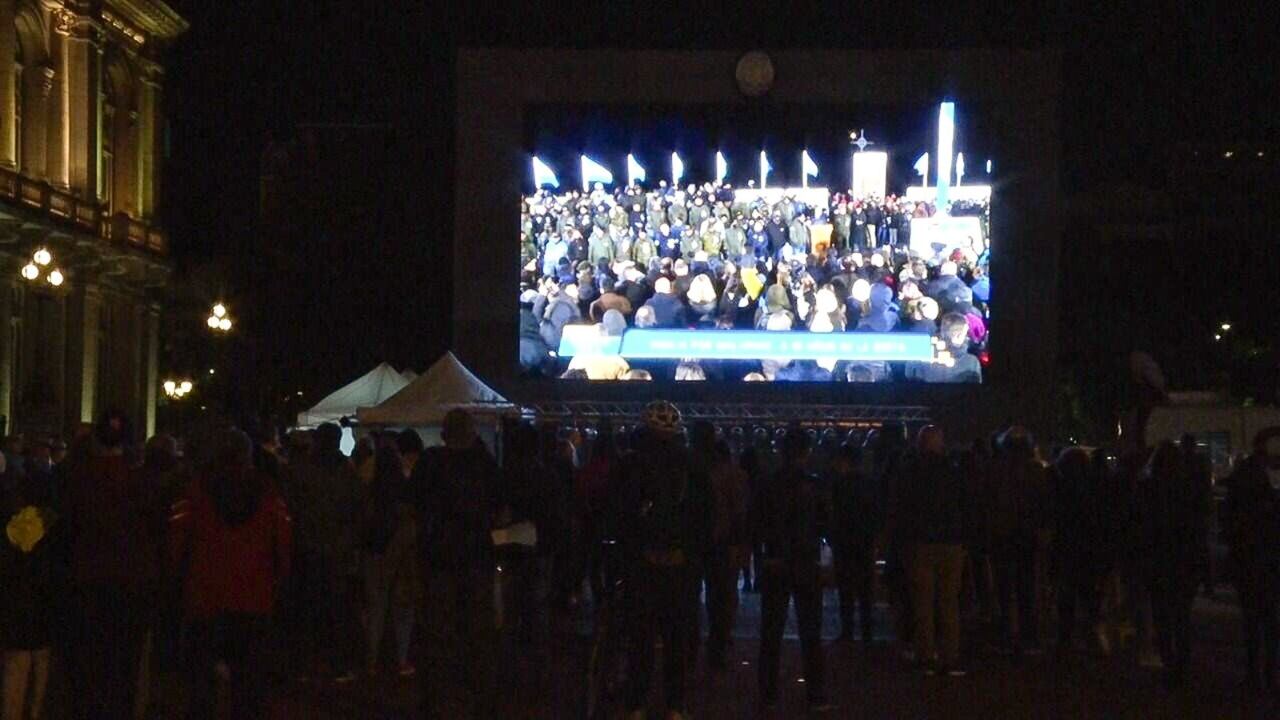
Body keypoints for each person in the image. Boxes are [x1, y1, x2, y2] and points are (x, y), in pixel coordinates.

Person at [170, 429, 291, 719]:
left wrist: (180, 582)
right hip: (254, 597)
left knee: (201, 683)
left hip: (205, 596)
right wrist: (276, 582)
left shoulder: (195, 492)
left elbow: (177, 542)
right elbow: (283, 545)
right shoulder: (269, 494)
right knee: (249, 685)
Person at [61, 410, 163, 720]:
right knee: (124, 665)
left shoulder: (76, 479)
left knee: (88, 664)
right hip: (131, 585)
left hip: (87, 581)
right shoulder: (144, 482)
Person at [405, 409, 504, 718]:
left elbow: (414, 507)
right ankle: (481, 699)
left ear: (445, 433)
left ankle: (435, 698)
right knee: (478, 634)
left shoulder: (431, 463)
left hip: (439, 560)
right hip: (476, 558)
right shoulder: (485, 465)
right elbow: (499, 510)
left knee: (438, 632)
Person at [615, 401, 709, 720]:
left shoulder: (631, 464)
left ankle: (637, 702)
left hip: (643, 564)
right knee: (675, 639)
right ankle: (674, 704)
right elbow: (703, 518)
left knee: (641, 638)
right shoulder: (691, 465)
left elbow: (619, 513)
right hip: (678, 565)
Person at [752, 428, 831, 711]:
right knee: (811, 631)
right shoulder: (815, 485)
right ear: (806, 452)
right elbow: (825, 523)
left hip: (776, 562)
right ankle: (816, 694)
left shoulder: (768, 483)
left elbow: (756, 523)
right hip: (806, 562)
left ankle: (768, 693)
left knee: (771, 632)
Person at [283, 422, 363, 683]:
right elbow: (357, 511)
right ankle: (336, 664)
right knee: (336, 610)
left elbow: (292, 508)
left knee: (307, 609)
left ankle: (304, 665)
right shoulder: (347, 472)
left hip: (308, 548)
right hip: (336, 550)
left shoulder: (301, 471)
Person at [895, 426, 968, 676]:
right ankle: (950, 656)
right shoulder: (954, 471)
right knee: (949, 602)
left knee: (922, 603)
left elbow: (901, 507)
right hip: (951, 542)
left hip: (921, 542)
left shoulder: (910, 472)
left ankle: (925, 656)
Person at [1141, 440, 1210, 688]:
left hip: (1159, 562)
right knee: (1181, 616)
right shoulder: (1188, 489)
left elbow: (1141, 528)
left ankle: (1170, 661)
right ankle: (1180, 664)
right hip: (1183, 562)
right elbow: (1198, 529)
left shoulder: (1149, 489)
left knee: (1162, 616)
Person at [1221, 427, 1280, 693]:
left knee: (1253, 622)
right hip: (1266, 562)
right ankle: (1268, 673)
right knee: (1269, 622)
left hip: (1249, 561)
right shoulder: (1265, 492)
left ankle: (1256, 674)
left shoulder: (1241, 484)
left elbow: (1229, 525)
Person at [1, 450, 57, 720]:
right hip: (44, 608)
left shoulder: (10, 526)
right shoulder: (53, 528)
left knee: (15, 669)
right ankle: (35, 712)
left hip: (16, 608)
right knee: (41, 667)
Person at [360, 445, 418, 678]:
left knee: (376, 608)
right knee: (402, 609)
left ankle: (372, 660)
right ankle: (401, 659)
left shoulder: (369, 491)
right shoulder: (404, 490)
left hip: (374, 552)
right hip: (400, 554)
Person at [704, 439, 750, 671]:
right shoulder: (737, 476)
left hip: (708, 541)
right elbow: (740, 513)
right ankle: (720, 639)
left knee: (713, 594)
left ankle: (714, 639)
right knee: (726, 593)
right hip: (726, 542)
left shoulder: (701, 474)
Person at [830, 442, 880, 644]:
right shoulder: (869, 483)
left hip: (845, 542)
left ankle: (848, 631)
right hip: (864, 541)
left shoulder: (839, 485)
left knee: (846, 590)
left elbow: (834, 515)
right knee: (865, 590)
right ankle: (867, 632)